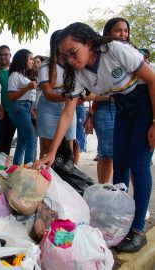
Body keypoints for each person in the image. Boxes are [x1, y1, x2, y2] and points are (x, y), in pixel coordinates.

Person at [34, 22, 155, 253]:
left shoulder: (116, 50)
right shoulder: (77, 74)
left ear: (89, 43)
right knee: (119, 166)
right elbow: (68, 112)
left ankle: (138, 229)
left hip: (145, 104)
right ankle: (120, 224)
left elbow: (152, 79)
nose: (70, 60)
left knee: (138, 167)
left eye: (73, 52)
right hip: (121, 106)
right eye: (65, 56)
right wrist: (51, 153)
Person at [91, 17, 130, 183]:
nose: (123, 34)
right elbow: (88, 93)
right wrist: (113, 94)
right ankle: (104, 193)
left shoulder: (132, 53)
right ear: (107, 33)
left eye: (126, 30)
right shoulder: (99, 56)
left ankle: (129, 200)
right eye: (118, 30)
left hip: (129, 109)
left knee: (130, 156)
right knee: (107, 155)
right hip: (106, 110)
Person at [36, 30, 77, 159]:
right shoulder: (46, 66)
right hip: (48, 109)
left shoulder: (74, 63)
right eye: (62, 41)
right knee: (47, 149)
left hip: (68, 108)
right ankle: (46, 177)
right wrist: (71, 96)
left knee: (68, 147)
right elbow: (48, 93)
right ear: (55, 44)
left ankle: (67, 177)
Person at [8, 49, 38, 165]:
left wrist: (30, 110)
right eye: (30, 59)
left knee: (22, 141)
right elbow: (11, 96)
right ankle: (28, 170)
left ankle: (16, 169)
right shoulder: (15, 75)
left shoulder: (22, 75)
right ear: (22, 60)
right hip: (19, 109)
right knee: (31, 140)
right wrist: (28, 87)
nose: (32, 62)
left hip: (24, 109)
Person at [0, 45, 16, 155]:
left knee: (8, 141)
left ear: (10, 55)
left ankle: (4, 168)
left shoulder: (16, 71)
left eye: (6, 55)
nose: (3, 57)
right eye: (0, 55)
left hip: (13, 111)